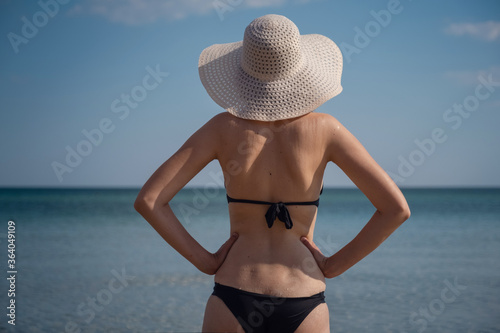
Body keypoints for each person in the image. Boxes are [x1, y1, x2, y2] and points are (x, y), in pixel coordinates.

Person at [134, 14, 410, 333]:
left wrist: (205, 261)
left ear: (244, 70)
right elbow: (395, 209)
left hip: (232, 295)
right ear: (301, 68)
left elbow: (150, 201)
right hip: (303, 298)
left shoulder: (222, 129)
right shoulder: (327, 130)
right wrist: (334, 265)